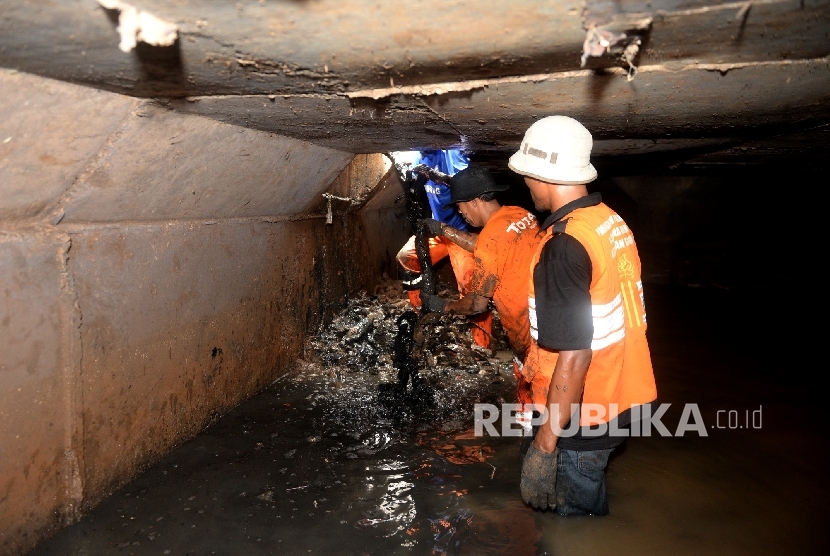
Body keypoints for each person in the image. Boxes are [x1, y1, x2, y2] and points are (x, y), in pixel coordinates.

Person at [508, 116, 657, 516]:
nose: (525, 183)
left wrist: (544, 447)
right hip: (623, 393)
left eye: (527, 175)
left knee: (574, 523)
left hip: (585, 413)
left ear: (543, 174)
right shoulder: (608, 220)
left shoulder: (565, 245)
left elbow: (574, 356)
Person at [417, 166, 541, 423]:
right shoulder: (520, 215)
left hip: (526, 334)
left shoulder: (491, 242)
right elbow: (489, 245)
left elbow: (476, 305)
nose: (460, 213)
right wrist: (444, 229)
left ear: (473, 201)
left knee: (536, 404)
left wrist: (442, 306)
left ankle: (536, 445)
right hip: (546, 321)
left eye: (460, 206)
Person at [395, 150, 492, 348]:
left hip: (462, 233)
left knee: (471, 288)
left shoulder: (451, 153)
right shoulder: (418, 156)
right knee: (407, 258)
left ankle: (480, 345)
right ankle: (422, 315)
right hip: (438, 231)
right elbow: (409, 172)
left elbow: (467, 186)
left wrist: (437, 176)